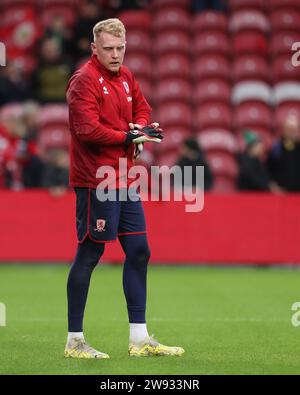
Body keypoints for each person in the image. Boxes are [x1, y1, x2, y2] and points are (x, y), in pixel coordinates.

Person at [65, 18, 184, 359]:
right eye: (108, 49)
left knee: (140, 251)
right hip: (95, 180)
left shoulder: (127, 77)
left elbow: (142, 108)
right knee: (90, 254)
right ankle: (74, 341)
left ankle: (139, 339)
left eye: (120, 48)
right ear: (94, 49)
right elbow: (87, 130)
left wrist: (143, 126)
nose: (116, 55)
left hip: (123, 178)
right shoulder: (83, 81)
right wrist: (129, 136)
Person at [267, 115, 300, 192]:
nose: (292, 132)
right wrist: (273, 186)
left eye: (294, 130)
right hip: (281, 194)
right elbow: (268, 169)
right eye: (289, 129)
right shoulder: (276, 148)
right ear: (284, 130)